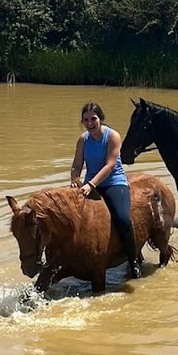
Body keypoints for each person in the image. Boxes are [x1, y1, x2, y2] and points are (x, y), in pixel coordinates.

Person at [71, 102, 142, 280]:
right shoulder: (83, 140)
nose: (90, 123)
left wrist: (91, 185)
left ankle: (133, 261)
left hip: (113, 182)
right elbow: (77, 165)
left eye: (93, 119)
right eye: (86, 120)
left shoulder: (113, 136)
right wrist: (75, 179)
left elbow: (110, 165)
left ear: (100, 119)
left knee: (123, 219)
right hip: (89, 183)